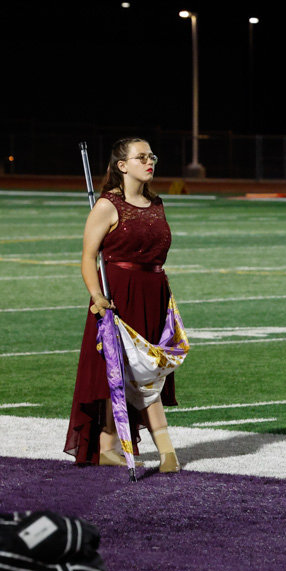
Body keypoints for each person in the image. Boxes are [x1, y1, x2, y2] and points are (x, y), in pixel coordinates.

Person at [65, 138, 181, 473]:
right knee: (127, 370)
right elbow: (88, 258)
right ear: (122, 165)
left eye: (152, 156)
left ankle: (106, 445)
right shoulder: (106, 206)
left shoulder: (155, 202)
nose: (149, 162)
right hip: (118, 294)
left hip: (154, 292)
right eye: (141, 157)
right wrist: (97, 295)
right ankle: (166, 450)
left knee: (138, 370)